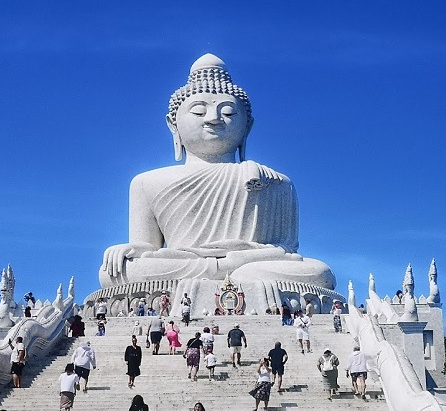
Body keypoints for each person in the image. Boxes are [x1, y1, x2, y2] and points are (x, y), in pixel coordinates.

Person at [97, 54, 337, 293]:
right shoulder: (146, 182)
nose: (213, 119)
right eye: (199, 112)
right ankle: (236, 277)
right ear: (173, 124)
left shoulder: (276, 182)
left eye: (229, 113)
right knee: (115, 271)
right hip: (187, 264)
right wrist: (132, 249)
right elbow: (147, 246)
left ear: (247, 126)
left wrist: (240, 259)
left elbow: (286, 250)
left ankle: (235, 275)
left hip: (252, 264)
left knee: (319, 272)